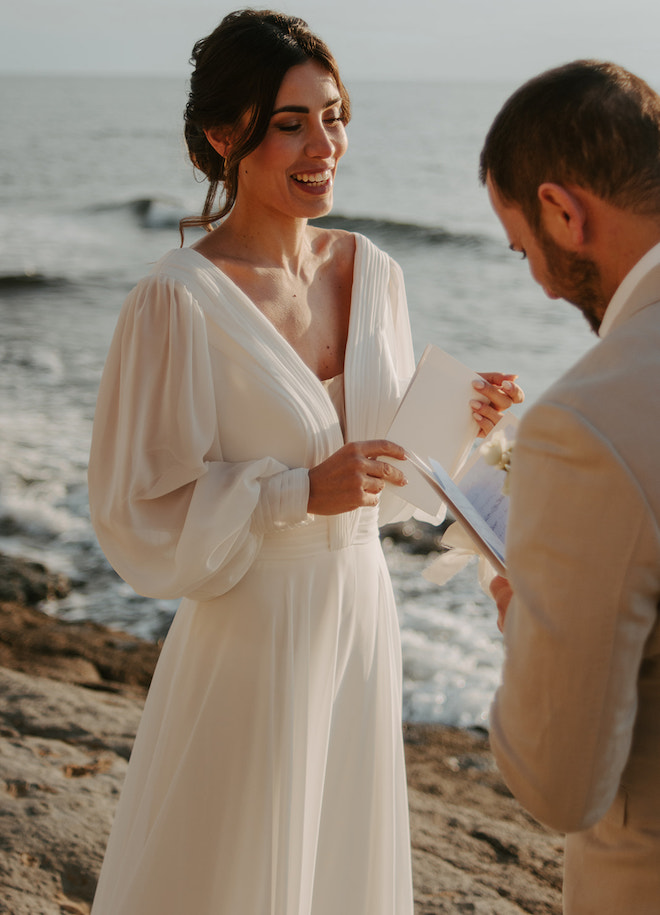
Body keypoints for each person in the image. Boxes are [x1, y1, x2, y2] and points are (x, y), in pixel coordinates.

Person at [87, 10, 521, 915]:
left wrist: (462, 423)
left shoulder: (376, 272)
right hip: (251, 630)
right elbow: (138, 509)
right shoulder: (177, 300)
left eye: (334, 115)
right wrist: (293, 492)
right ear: (222, 136)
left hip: (360, 616)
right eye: (290, 123)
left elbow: (393, 478)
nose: (324, 144)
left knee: (338, 873)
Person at [481, 60, 660, 914]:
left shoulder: (588, 423)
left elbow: (561, 784)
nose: (542, 283)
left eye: (525, 250)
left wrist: (527, 624)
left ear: (563, 209)